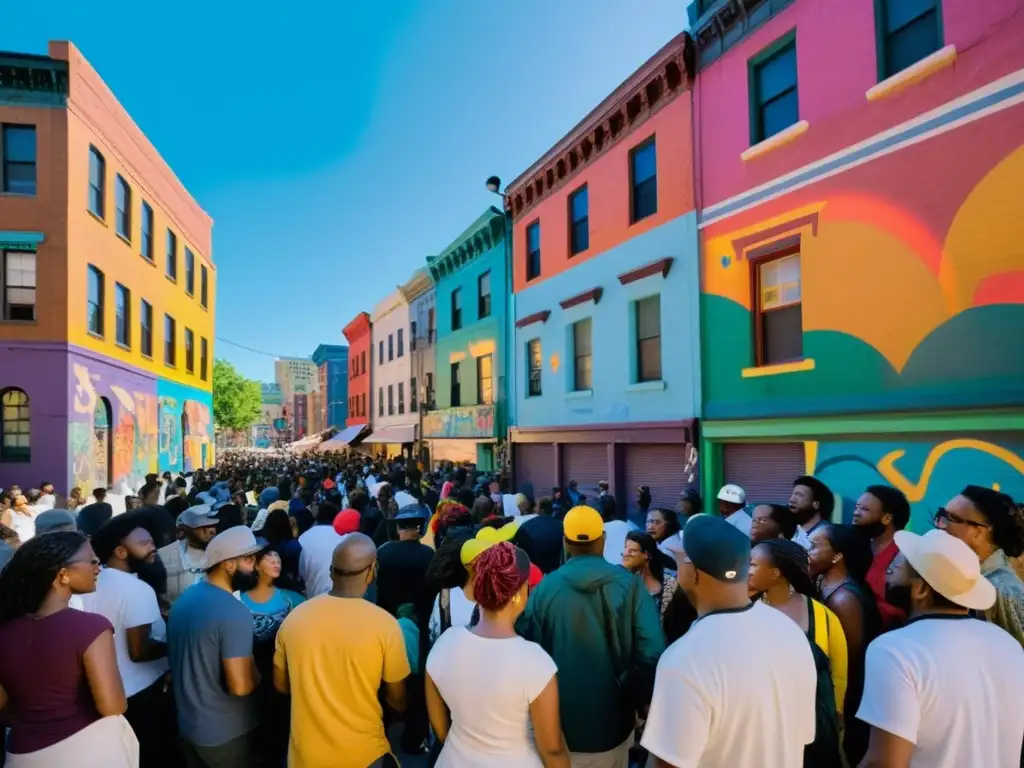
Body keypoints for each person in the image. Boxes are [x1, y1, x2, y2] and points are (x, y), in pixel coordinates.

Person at [642, 514, 816, 768]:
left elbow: (667, 763)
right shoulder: (788, 630)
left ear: (696, 573)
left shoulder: (686, 658)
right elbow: (801, 736)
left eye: (680, 560)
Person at [857, 529, 1024, 767]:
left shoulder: (894, 649)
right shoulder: (1008, 644)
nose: (889, 570)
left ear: (921, 589)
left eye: (899, 565)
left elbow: (885, 763)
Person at [519, 506, 665, 766]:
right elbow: (652, 650)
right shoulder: (629, 584)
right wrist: (635, 697)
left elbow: (527, 651)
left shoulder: (544, 588)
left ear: (565, 542)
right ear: (603, 540)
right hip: (613, 724)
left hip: (556, 727)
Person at [0, 531, 138, 766]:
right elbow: (112, 706)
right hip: (84, 751)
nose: (98, 568)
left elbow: (3, 707)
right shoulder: (91, 627)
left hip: (21, 754)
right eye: (92, 561)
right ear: (63, 575)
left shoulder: (6, 630)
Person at [426, 543, 569, 767]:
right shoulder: (536, 662)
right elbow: (552, 748)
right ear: (520, 594)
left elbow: (440, 727)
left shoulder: (445, 643)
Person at [274, 533, 410, 768]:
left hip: (306, 755)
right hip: (364, 754)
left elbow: (281, 685)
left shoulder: (294, 619)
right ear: (371, 572)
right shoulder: (385, 625)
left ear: (330, 571)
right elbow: (397, 699)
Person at [80, 516, 174, 767]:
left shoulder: (90, 583)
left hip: (103, 694)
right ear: (121, 552)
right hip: (143, 695)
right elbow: (138, 650)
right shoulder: (136, 589)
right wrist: (178, 641)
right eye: (143, 544)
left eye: (152, 542)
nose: (153, 548)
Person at [168, 526, 262, 768]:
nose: (256, 567)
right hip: (227, 734)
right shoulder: (234, 611)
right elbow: (240, 686)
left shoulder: (185, 599)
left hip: (188, 728)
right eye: (249, 560)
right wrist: (259, 674)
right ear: (229, 564)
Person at [747, 538, 848, 725]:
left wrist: (836, 711)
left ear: (775, 573)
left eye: (752, 565)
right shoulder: (745, 611)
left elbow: (839, 674)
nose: (746, 572)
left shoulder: (823, 616)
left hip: (811, 723)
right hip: (760, 721)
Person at [807, 523, 882, 766]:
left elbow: (850, 664)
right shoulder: (825, 586)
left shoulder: (844, 599)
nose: (806, 551)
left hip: (848, 709)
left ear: (838, 555)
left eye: (813, 546)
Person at [239, 546, 305, 766]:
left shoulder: (291, 598)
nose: (276, 562)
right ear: (255, 565)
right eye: (269, 558)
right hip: (249, 671)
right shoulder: (239, 599)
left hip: (282, 671)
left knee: (278, 720)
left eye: (277, 557)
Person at [937, 485, 1024, 645]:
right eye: (940, 515)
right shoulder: (968, 577)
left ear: (977, 532)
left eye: (951, 518)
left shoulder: (1003, 592)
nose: (940, 525)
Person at [852, 485, 911, 629]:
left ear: (886, 518)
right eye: (857, 507)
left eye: (864, 509)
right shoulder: (856, 546)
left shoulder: (905, 556)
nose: (856, 513)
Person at [621, 531, 693, 637]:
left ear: (646, 555)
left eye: (632, 551)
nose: (625, 554)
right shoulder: (622, 580)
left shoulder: (670, 586)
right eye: (625, 549)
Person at [375, 504, 434, 618]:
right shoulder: (429, 554)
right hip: (420, 617)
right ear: (420, 528)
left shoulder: (382, 551)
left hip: (388, 618)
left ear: (397, 528)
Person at [157, 506, 219, 605]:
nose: (212, 531)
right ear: (187, 529)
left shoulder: (221, 553)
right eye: (204, 527)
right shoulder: (166, 555)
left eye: (213, 525)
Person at [298, 500, 345, 597]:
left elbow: (301, 573)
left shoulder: (304, 538)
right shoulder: (345, 536)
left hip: (315, 599)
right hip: (343, 597)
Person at [514, 496, 565, 574]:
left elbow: (518, 548)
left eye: (536, 507)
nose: (534, 509)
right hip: (554, 570)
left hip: (533, 571)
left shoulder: (526, 526)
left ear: (541, 510)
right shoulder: (561, 526)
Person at [789, 475, 834, 541]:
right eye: (792, 494)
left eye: (800, 495)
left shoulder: (827, 534)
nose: (791, 500)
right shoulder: (791, 530)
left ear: (816, 504)